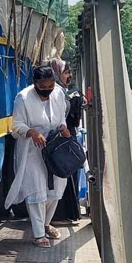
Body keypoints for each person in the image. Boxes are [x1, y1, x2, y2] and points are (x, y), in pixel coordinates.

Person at [6, 64, 70, 247]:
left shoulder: (58, 93)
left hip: (55, 148)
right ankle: (39, 233)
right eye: (43, 87)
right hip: (32, 150)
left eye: (50, 86)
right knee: (37, 190)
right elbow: (16, 126)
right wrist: (32, 132)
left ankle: (46, 223)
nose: (47, 91)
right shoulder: (23, 98)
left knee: (56, 189)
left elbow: (61, 117)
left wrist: (63, 128)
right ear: (35, 83)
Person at [51, 58, 84, 223]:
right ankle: (61, 215)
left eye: (69, 72)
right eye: (66, 73)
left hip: (66, 135)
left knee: (69, 172)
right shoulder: (56, 92)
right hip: (62, 137)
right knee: (64, 172)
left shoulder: (62, 91)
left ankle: (68, 213)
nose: (69, 76)